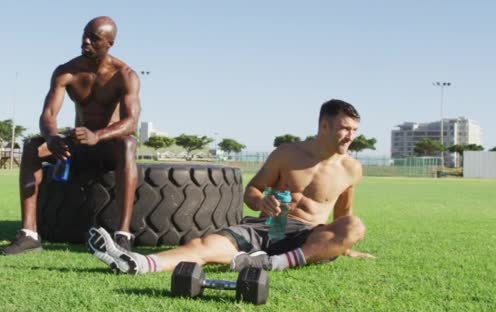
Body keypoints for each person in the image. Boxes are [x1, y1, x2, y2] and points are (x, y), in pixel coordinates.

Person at [88, 99, 374, 274]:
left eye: (354, 130)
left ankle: (274, 263)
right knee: (204, 246)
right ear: (324, 126)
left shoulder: (352, 168)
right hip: (269, 228)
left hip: (307, 236)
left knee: (355, 226)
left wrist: (344, 246)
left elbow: (343, 217)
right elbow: (252, 191)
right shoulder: (287, 153)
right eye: (345, 128)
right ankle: (138, 263)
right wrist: (262, 202)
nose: (350, 136)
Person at [3, 16, 141, 255]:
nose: (86, 41)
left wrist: (98, 135)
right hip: (77, 145)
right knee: (31, 147)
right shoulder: (66, 72)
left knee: (128, 144)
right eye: (84, 35)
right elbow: (48, 114)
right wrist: (51, 137)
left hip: (106, 145)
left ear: (109, 43)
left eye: (94, 39)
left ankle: (123, 235)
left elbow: (130, 122)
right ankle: (29, 234)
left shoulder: (125, 75)